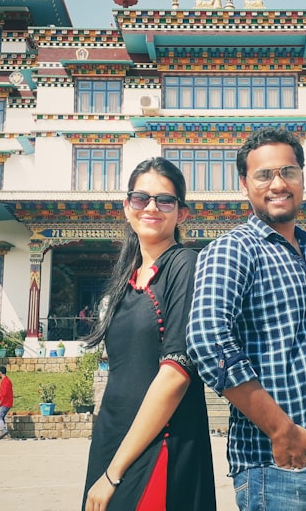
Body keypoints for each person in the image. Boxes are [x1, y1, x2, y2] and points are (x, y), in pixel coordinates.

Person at [187, 127, 306, 510]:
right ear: (244, 185)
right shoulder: (232, 250)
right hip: (278, 467)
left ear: (302, 178)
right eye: (264, 174)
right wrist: (281, 430)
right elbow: (207, 341)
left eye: (288, 172)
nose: (278, 184)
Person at [81, 157, 216, 511]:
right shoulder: (127, 280)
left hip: (159, 444)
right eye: (141, 199)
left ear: (181, 213)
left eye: (165, 200)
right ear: (127, 208)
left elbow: (176, 374)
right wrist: (108, 464)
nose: (152, 207)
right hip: (113, 440)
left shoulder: (184, 265)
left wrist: (114, 473)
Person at [0, 365, 13, 440]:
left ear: (0, 372)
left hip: (6, 403)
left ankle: (4, 430)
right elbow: (4, 392)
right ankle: (6, 435)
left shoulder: (5, 381)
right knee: (2, 417)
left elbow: (3, 394)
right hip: (8, 402)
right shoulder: (7, 380)